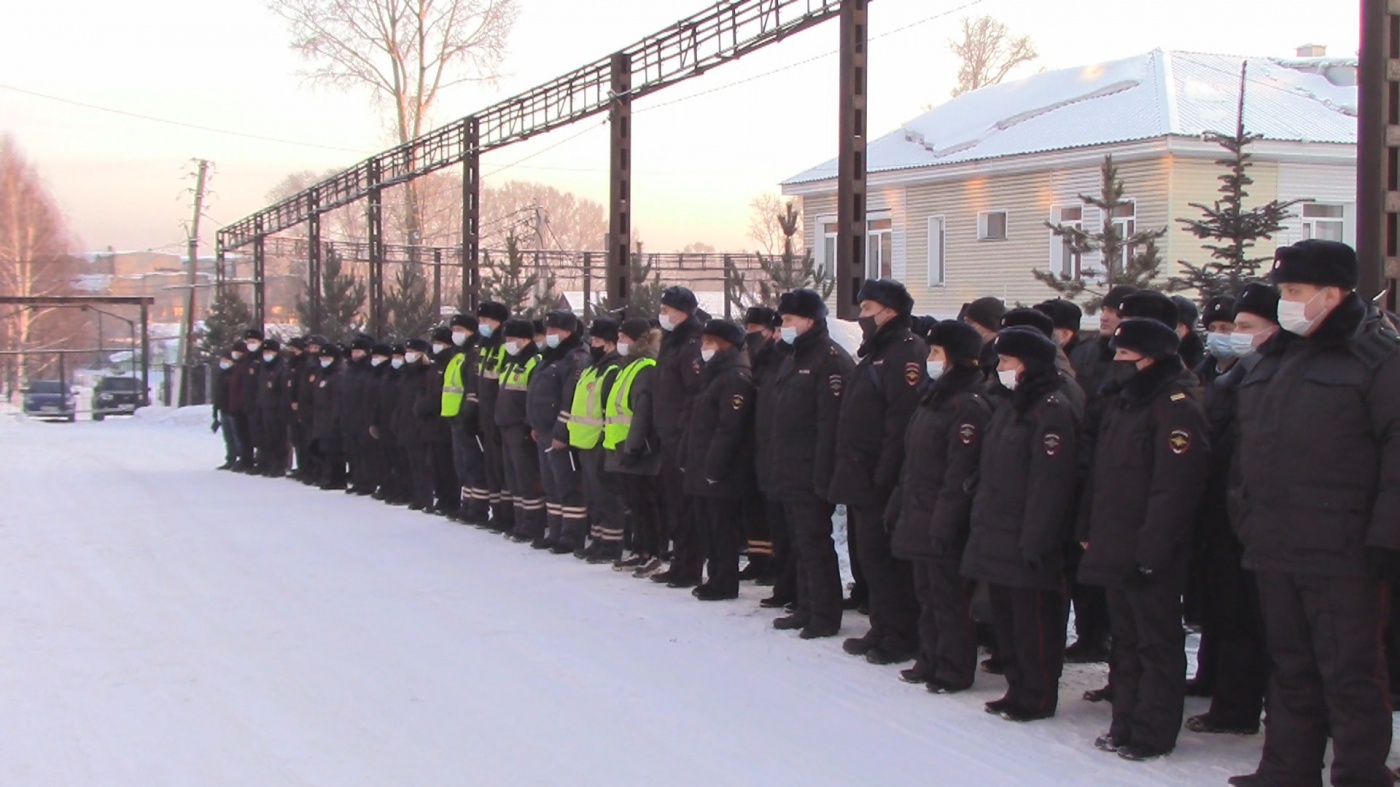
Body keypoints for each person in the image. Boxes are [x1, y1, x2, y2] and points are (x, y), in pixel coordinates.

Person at [1229, 240, 1400, 787]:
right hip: (1276, 543)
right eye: (1282, 292)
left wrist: (1384, 540)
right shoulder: (1277, 357)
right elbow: (1248, 450)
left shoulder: (1376, 357)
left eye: (1295, 292)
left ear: (1333, 293)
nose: (1285, 303)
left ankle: (1359, 775)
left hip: (1345, 551)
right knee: (1290, 667)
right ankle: (1287, 769)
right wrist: (1247, 519)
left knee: (1349, 674)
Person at [1078, 318, 1209, 762]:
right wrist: (1088, 527)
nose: (1116, 363)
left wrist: (1152, 550)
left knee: (1156, 642)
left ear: (1150, 358)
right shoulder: (1125, 402)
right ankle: (1126, 721)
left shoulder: (1175, 406)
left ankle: (1153, 730)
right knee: (1127, 639)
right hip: (1116, 540)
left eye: (1124, 355)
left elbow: (1175, 488)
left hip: (1151, 548)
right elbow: (1102, 473)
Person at [962, 326, 1081, 722]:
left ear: (1027, 365)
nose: (1000, 368)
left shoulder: (1051, 409)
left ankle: (1038, 694)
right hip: (997, 530)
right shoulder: (1013, 405)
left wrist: (1037, 539)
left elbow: (1050, 483)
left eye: (1007, 361)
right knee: (1008, 621)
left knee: (1034, 625)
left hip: (1027, 537)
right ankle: (1017, 687)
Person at [1187, 283, 1278, 737]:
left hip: (1243, 516)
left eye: (1241, 327)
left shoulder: (1262, 377)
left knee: (1241, 617)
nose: (1229, 335)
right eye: (1223, 327)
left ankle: (1237, 706)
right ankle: (1213, 682)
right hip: (1216, 511)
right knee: (1217, 608)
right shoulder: (1214, 374)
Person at [889, 320, 991, 691]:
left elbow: (960, 474)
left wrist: (945, 523)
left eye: (935, 353)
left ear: (956, 358)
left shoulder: (969, 405)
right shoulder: (934, 398)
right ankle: (929, 657)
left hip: (944, 520)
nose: (929, 359)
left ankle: (953, 667)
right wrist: (899, 503)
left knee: (950, 600)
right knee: (927, 595)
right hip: (919, 511)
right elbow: (914, 460)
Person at [830, 278, 926, 665]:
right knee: (870, 557)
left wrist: (883, 476)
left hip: (881, 478)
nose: (862, 317)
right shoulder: (875, 353)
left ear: (891, 312)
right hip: (860, 474)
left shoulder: (906, 353)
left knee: (888, 559)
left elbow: (899, 423)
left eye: (868, 310)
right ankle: (882, 626)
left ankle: (902, 635)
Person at [764, 289, 854, 639]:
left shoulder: (829, 360)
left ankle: (825, 613)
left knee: (816, 543)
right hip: (788, 466)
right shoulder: (793, 355)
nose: (782, 326)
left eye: (788, 320)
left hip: (811, 470)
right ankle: (805, 605)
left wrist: (822, 475)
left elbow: (829, 425)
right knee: (800, 542)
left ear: (810, 321)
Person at [1065, 285, 1136, 670]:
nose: (1106, 317)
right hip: (1085, 470)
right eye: (1106, 310)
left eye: (1116, 312)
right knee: (1084, 568)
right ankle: (1091, 633)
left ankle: (1104, 639)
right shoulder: (1090, 353)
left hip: (1116, 484)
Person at [681, 319, 756, 601]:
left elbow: (729, 428)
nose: (704, 348)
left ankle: (725, 581)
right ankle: (714, 576)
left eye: (709, 342)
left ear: (725, 345)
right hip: (702, 466)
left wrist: (714, 467)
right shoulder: (713, 375)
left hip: (722, 470)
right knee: (708, 526)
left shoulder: (735, 377)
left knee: (722, 527)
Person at [650, 287, 706, 588]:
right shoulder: (672, 341)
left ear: (683, 312)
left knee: (685, 507)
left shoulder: (691, 343)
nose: (662, 315)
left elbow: (693, 392)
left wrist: (683, 430)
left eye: (667, 309)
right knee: (673, 503)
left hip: (682, 438)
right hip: (667, 435)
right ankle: (679, 562)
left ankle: (690, 566)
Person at [604, 318, 665, 574]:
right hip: (622, 445)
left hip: (639, 449)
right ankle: (640, 549)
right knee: (634, 504)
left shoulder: (646, 368)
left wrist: (633, 448)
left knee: (645, 503)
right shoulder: (627, 367)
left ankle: (654, 552)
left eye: (624, 338)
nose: (620, 343)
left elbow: (642, 413)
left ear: (639, 341)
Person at [528, 311, 589, 551]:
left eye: (554, 331)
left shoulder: (575, 358)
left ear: (567, 332)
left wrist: (561, 432)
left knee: (568, 485)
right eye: (548, 330)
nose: (549, 335)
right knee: (551, 485)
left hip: (560, 434)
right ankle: (555, 530)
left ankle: (571, 535)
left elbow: (570, 399)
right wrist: (535, 424)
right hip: (543, 431)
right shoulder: (549, 357)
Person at [566, 318, 626, 562]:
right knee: (593, 495)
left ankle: (611, 545)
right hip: (585, 441)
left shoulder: (612, 369)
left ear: (610, 344)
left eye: (598, 340)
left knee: (607, 496)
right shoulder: (593, 368)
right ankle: (598, 539)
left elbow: (609, 408)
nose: (593, 344)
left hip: (602, 441)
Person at [741, 306, 781, 584]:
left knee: (770, 508)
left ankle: (772, 561)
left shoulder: (779, 358)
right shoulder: (758, 356)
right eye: (748, 328)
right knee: (753, 504)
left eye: (757, 329)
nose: (751, 334)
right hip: (752, 438)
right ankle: (758, 557)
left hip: (771, 442)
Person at [442, 314, 485, 523]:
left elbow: (472, 386)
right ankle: (466, 504)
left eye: (460, 329)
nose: (455, 334)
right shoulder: (458, 353)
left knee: (473, 464)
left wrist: (469, 412)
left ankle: (477, 509)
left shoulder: (473, 353)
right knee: (462, 465)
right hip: (454, 417)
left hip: (466, 417)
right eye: (454, 329)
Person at [476, 301, 512, 532]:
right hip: (486, 415)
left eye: (485, 321)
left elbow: (502, 385)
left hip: (499, 415)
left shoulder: (503, 346)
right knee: (491, 467)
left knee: (503, 468)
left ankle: (507, 515)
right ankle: (497, 512)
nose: (482, 325)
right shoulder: (485, 346)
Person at [395, 339, 434, 511]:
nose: (408, 354)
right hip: (406, 422)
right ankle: (415, 494)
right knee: (412, 462)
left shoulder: (426, 373)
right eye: (407, 351)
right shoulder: (406, 373)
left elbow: (429, 398)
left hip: (420, 423)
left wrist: (420, 411)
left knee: (422, 463)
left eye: (413, 351)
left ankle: (425, 496)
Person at [310, 343, 347, 490]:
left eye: (327, 357)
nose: (324, 360)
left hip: (332, 418)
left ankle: (337, 478)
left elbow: (338, 399)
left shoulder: (338, 374)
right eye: (322, 357)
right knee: (324, 449)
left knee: (335, 450)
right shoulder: (322, 373)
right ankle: (327, 475)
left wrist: (335, 417)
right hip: (321, 416)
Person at [254, 339, 288, 477]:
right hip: (264, 406)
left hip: (276, 407)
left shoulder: (281, 367)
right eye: (265, 351)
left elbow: (283, 389)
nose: (267, 354)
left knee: (279, 438)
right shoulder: (263, 366)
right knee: (266, 437)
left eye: (270, 352)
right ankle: (267, 463)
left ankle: (280, 464)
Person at [212, 350, 239, 470]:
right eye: (222, 360)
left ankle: (240, 458)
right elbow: (218, 394)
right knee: (228, 437)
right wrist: (216, 410)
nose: (223, 363)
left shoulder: (235, 374)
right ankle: (230, 458)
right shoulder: (221, 375)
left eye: (226, 360)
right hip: (223, 409)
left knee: (236, 436)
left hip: (233, 409)